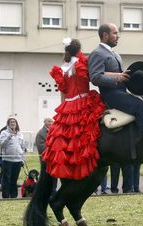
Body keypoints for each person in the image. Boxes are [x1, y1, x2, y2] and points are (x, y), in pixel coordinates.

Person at [88, 23, 143, 158]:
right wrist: (117, 78)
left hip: (122, 92)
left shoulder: (116, 55)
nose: (118, 36)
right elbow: (95, 77)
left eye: (117, 33)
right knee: (138, 105)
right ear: (105, 35)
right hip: (110, 95)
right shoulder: (97, 53)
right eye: (115, 33)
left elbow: (120, 75)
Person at [43, 38, 105, 180]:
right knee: (82, 138)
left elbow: (63, 92)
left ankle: (68, 171)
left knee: (67, 139)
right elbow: (95, 78)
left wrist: (63, 110)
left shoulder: (62, 68)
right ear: (79, 49)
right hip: (82, 101)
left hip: (68, 105)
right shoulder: (81, 63)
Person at [0, 116, 26, 198]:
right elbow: (2, 145)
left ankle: (14, 196)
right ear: (8, 124)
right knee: (6, 179)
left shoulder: (20, 134)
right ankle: (5, 196)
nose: (13, 123)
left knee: (14, 179)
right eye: (11, 122)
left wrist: (23, 159)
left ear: (16, 124)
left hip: (18, 160)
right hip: (7, 159)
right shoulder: (4, 133)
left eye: (14, 122)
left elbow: (22, 147)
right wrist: (9, 137)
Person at [35, 117, 57, 194]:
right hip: (46, 159)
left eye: (52, 121)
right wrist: (53, 148)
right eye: (49, 121)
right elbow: (41, 147)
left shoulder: (55, 131)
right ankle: (45, 192)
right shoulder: (41, 133)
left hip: (55, 159)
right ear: (44, 122)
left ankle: (53, 191)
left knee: (54, 175)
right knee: (46, 176)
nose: (51, 123)